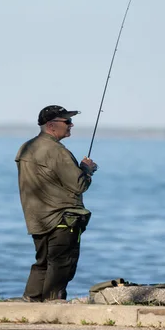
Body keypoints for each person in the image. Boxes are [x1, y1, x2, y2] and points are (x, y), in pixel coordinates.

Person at [15, 105, 98, 302]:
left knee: (43, 262)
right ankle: (53, 305)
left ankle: (31, 301)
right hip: (62, 218)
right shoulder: (57, 151)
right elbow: (79, 185)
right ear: (52, 125)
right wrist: (86, 169)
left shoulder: (26, 148)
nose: (71, 125)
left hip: (37, 218)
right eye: (67, 121)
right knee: (62, 264)